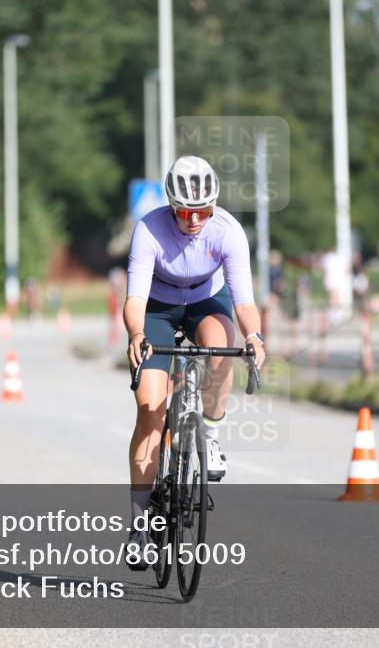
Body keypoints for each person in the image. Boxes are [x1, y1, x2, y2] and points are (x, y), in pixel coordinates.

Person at [123, 155, 266, 567]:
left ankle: (212, 434)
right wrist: (137, 335)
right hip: (157, 308)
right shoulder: (149, 229)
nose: (195, 219)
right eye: (186, 211)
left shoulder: (228, 231)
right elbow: (133, 300)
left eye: (203, 210)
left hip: (207, 300)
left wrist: (255, 336)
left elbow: (244, 302)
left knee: (222, 349)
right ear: (171, 206)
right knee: (151, 409)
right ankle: (137, 526)